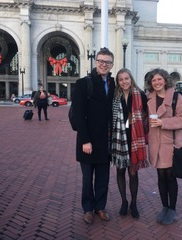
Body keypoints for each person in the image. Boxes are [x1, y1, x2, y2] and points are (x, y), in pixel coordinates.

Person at [72, 47, 115, 224]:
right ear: (96, 62)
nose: (104, 64)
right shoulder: (84, 83)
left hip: (106, 141)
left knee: (103, 178)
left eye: (107, 62)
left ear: (112, 64)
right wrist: (85, 140)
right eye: (101, 61)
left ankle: (100, 207)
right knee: (87, 178)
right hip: (88, 141)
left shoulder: (114, 85)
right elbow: (78, 115)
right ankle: (88, 209)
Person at [145, 68, 182, 225]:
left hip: (170, 144)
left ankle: (172, 209)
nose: (156, 83)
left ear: (165, 80)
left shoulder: (176, 97)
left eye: (159, 79)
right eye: (153, 80)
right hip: (155, 144)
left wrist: (163, 122)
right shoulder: (148, 98)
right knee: (160, 176)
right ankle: (164, 207)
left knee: (170, 177)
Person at [111, 68, 148, 219]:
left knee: (133, 172)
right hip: (119, 139)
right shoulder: (114, 96)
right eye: (121, 79)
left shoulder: (140, 95)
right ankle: (124, 201)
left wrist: (135, 124)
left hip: (134, 138)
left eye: (126, 78)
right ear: (118, 82)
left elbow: (146, 114)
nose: (124, 82)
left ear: (131, 79)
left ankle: (133, 203)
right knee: (120, 171)